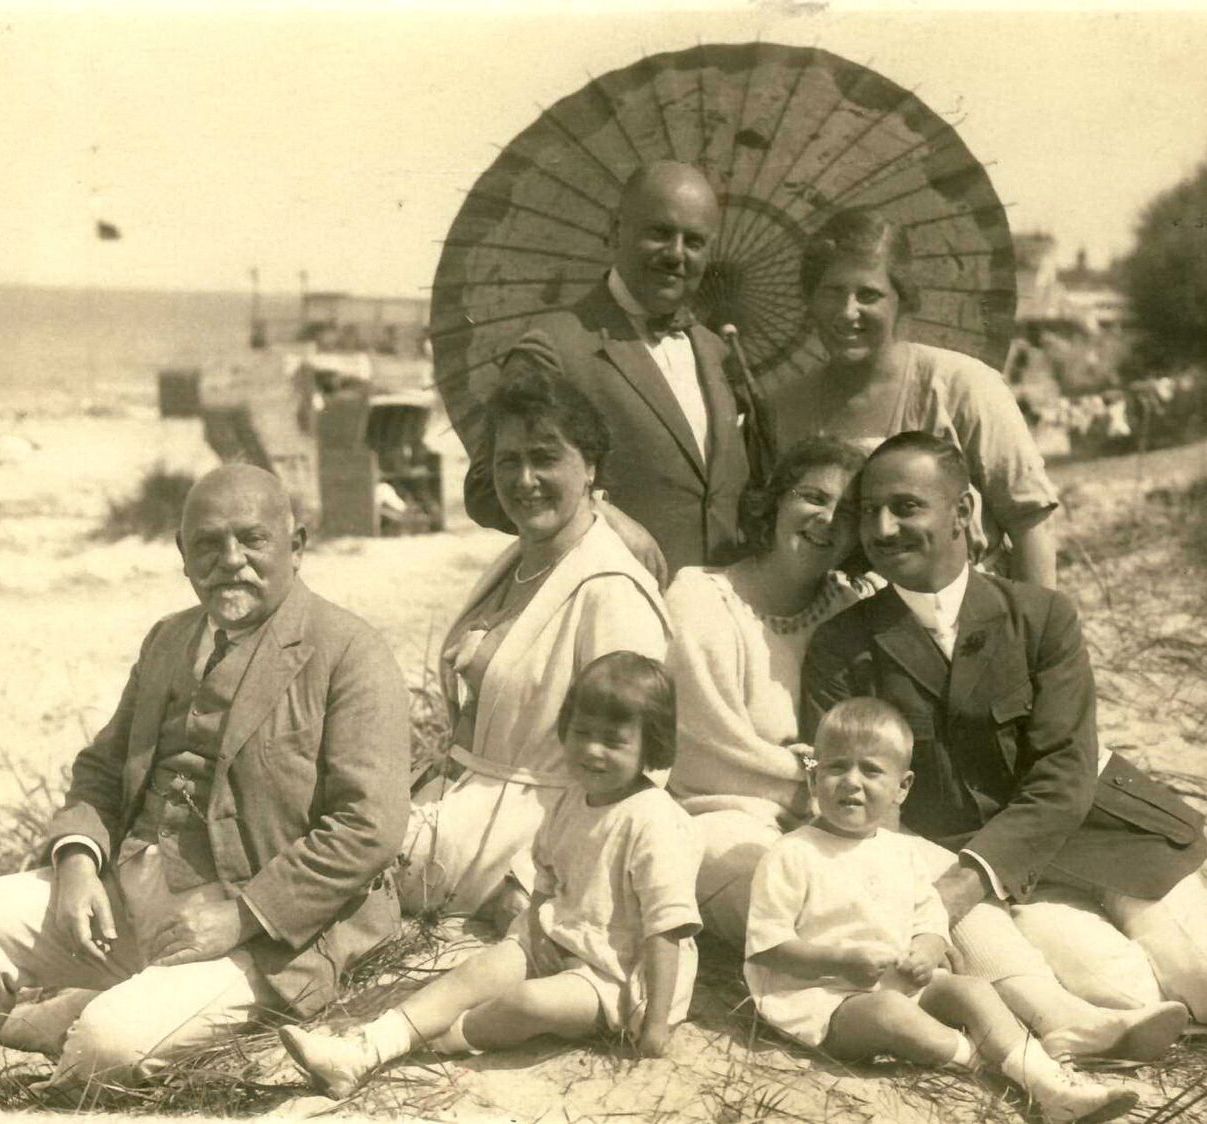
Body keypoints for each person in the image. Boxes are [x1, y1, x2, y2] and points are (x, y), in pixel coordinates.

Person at [800, 432, 1207, 1066]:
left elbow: (1063, 774)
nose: (883, 528)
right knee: (1112, 987)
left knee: (1204, 960)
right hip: (1002, 876)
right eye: (869, 512)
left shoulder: (1041, 616)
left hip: (1096, 830)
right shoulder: (842, 646)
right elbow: (863, 799)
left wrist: (963, 883)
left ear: (963, 512)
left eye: (907, 507)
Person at [0, 464, 411, 1110]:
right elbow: (101, 768)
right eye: (208, 544)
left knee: (106, 1043)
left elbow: (368, 827)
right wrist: (76, 862)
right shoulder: (168, 640)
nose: (231, 560)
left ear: (296, 546)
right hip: (134, 900)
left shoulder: (349, 653)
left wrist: (241, 915)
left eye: (252, 540)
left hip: (271, 936)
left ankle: (84, 1018)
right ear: (184, 557)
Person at [281, 653, 702, 1097]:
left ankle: (454, 1036)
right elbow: (546, 875)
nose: (592, 751)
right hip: (564, 939)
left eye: (614, 742)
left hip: (618, 975)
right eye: (581, 733)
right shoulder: (571, 801)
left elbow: (665, 928)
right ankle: (367, 1048)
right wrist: (535, 930)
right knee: (477, 971)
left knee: (528, 1002)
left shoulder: (654, 821)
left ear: (649, 746)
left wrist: (655, 1023)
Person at [744, 699, 1136, 1124]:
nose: (851, 783)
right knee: (889, 1014)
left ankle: (1045, 1078)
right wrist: (840, 960)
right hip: (823, 1000)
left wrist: (928, 948)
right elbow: (768, 947)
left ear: (903, 787)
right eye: (836, 767)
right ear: (813, 775)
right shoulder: (792, 854)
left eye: (872, 770)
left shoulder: (902, 852)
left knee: (972, 990)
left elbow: (928, 917)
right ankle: (986, 1065)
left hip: (898, 983)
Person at [399, 370, 667, 919]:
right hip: (465, 815)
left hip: (529, 846)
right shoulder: (520, 563)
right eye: (507, 461)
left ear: (589, 466)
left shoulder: (612, 591)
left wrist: (532, 881)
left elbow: (642, 765)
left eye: (544, 457)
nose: (524, 480)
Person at [449, 160, 751, 580]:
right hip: (618, 610)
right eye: (660, 233)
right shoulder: (554, 347)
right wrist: (598, 518)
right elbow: (485, 490)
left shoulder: (717, 352)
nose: (676, 254)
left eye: (694, 241)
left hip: (721, 618)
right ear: (614, 231)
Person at [769, 209, 1061, 588]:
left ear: (901, 300)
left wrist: (1035, 639)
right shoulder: (783, 407)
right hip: (832, 630)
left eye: (869, 295)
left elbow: (1030, 525)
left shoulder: (964, 388)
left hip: (967, 621)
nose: (847, 312)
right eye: (831, 292)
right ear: (810, 299)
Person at [665, 436, 872, 938]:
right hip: (718, 818)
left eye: (845, 512)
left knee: (918, 886)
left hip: (838, 810)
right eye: (813, 497)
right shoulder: (701, 599)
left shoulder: (855, 605)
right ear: (776, 501)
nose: (826, 519)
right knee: (807, 903)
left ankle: (1033, 1007)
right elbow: (702, 753)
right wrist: (809, 778)